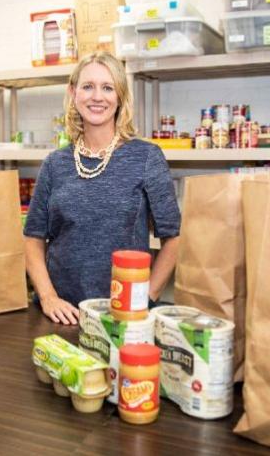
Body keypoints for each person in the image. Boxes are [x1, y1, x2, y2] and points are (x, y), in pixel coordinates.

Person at [24, 51, 181, 325]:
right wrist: (48, 297)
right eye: (88, 86)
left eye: (107, 87)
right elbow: (33, 239)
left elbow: (174, 238)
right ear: (73, 93)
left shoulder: (145, 157)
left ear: (119, 96)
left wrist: (148, 297)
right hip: (62, 315)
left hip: (122, 316)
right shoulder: (55, 163)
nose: (97, 96)